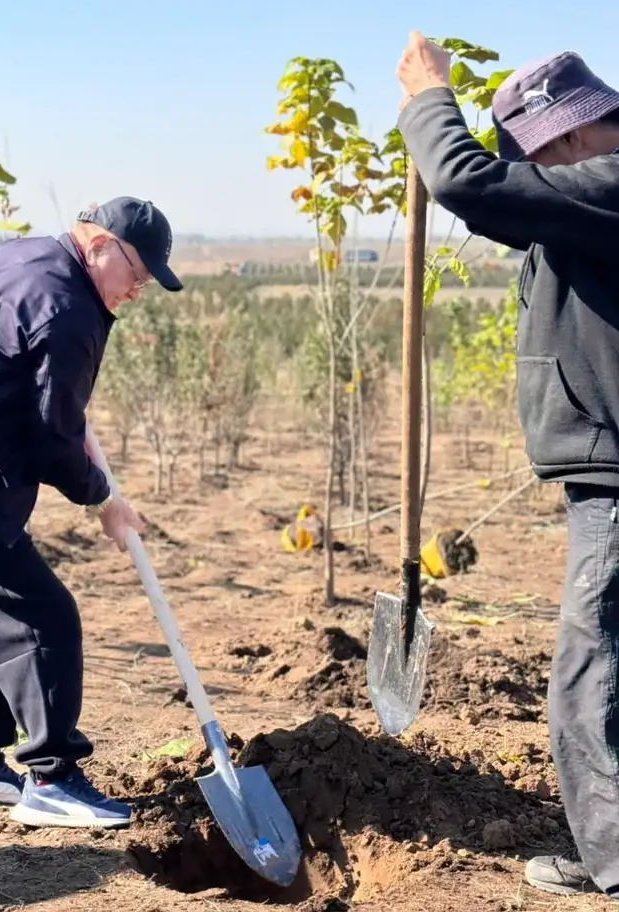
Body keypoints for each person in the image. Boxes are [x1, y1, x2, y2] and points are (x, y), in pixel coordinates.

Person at [395, 33, 619, 899]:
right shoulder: (589, 200)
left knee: (588, 677)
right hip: (604, 471)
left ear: (567, 136)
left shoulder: (609, 181)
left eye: (535, 153)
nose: (537, 171)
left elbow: (469, 186)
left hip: (615, 480)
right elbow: (498, 202)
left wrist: (427, 98)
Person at [0, 196, 183, 828]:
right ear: (100, 247)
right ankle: (52, 778)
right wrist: (104, 499)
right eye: (137, 273)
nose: (138, 290)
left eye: (149, 282)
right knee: (42, 619)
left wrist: (3, 349)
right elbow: (54, 440)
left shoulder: (18, 254)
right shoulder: (70, 312)